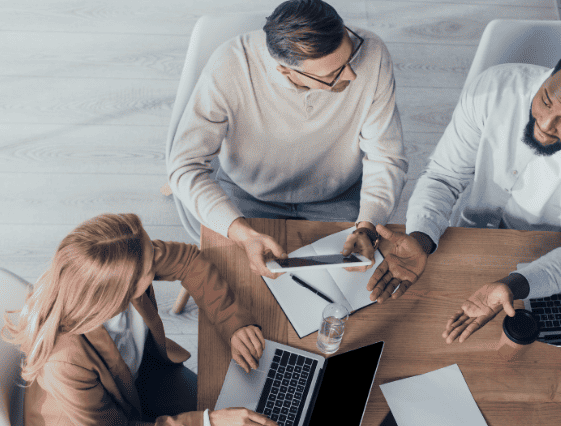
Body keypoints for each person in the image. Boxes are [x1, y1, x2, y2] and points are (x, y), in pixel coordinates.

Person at [366, 45, 561, 343]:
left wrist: (513, 286)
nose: (545, 125)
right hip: (471, 235)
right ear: (547, 78)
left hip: (550, 256)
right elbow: (444, 178)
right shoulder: (493, 90)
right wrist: (421, 236)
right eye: (546, 101)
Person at [2, 213, 279, 426]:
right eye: (149, 271)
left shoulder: (121, 263)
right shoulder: (65, 362)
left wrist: (234, 322)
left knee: (246, 406)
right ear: (116, 292)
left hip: (140, 383)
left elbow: (188, 260)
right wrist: (212, 424)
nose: (157, 260)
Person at [167, 0, 407, 278]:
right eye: (333, 75)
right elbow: (184, 166)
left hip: (338, 197)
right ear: (285, 70)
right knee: (242, 292)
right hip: (247, 195)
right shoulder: (229, 65)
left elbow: (386, 157)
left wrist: (367, 225)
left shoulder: (372, 54)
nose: (352, 75)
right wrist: (242, 234)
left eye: (349, 58)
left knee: (355, 287)